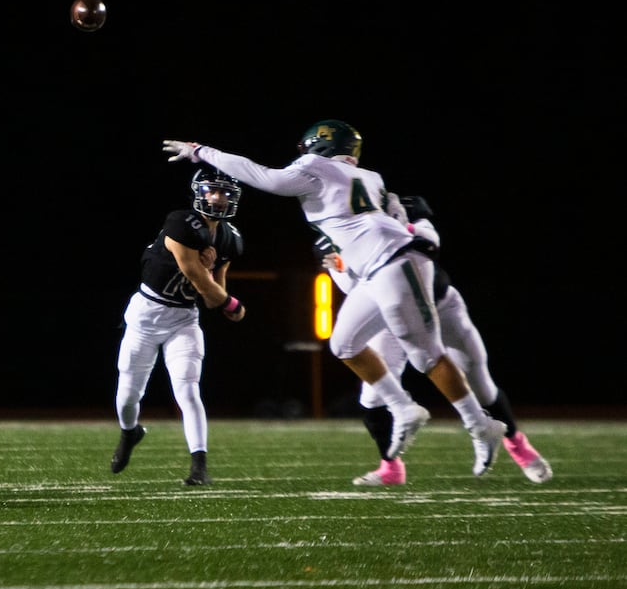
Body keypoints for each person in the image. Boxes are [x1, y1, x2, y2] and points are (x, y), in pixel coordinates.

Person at [162, 120, 507, 476]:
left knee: (425, 355)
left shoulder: (316, 166)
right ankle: (403, 407)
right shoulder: (370, 177)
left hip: (395, 261)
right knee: (343, 343)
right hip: (376, 268)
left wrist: (202, 151)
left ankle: (481, 426)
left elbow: (266, 178)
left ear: (319, 146)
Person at [317, 195, 553, 486]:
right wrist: (341, 266)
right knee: (372, 396)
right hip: (387, 318)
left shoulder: (395, 206)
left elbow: (430, 242)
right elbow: (356, 289)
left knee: (480, 384)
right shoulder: (333, 236)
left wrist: (400, 225)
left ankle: (518, 447)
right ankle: (391, 468)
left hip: (441, 305)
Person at [111, 166, 246, 486]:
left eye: (225, 192)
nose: (218, 197)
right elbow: (203, 284)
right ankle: (130, 433)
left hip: (183, 318)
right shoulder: (180, 223)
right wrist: (233, 305)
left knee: (187, 389)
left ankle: (199, 466)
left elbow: (215, 296)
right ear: (199, 192)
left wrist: (221, 293)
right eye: (213, 190)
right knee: (128, 395)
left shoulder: (230, 238)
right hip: (146, 315)